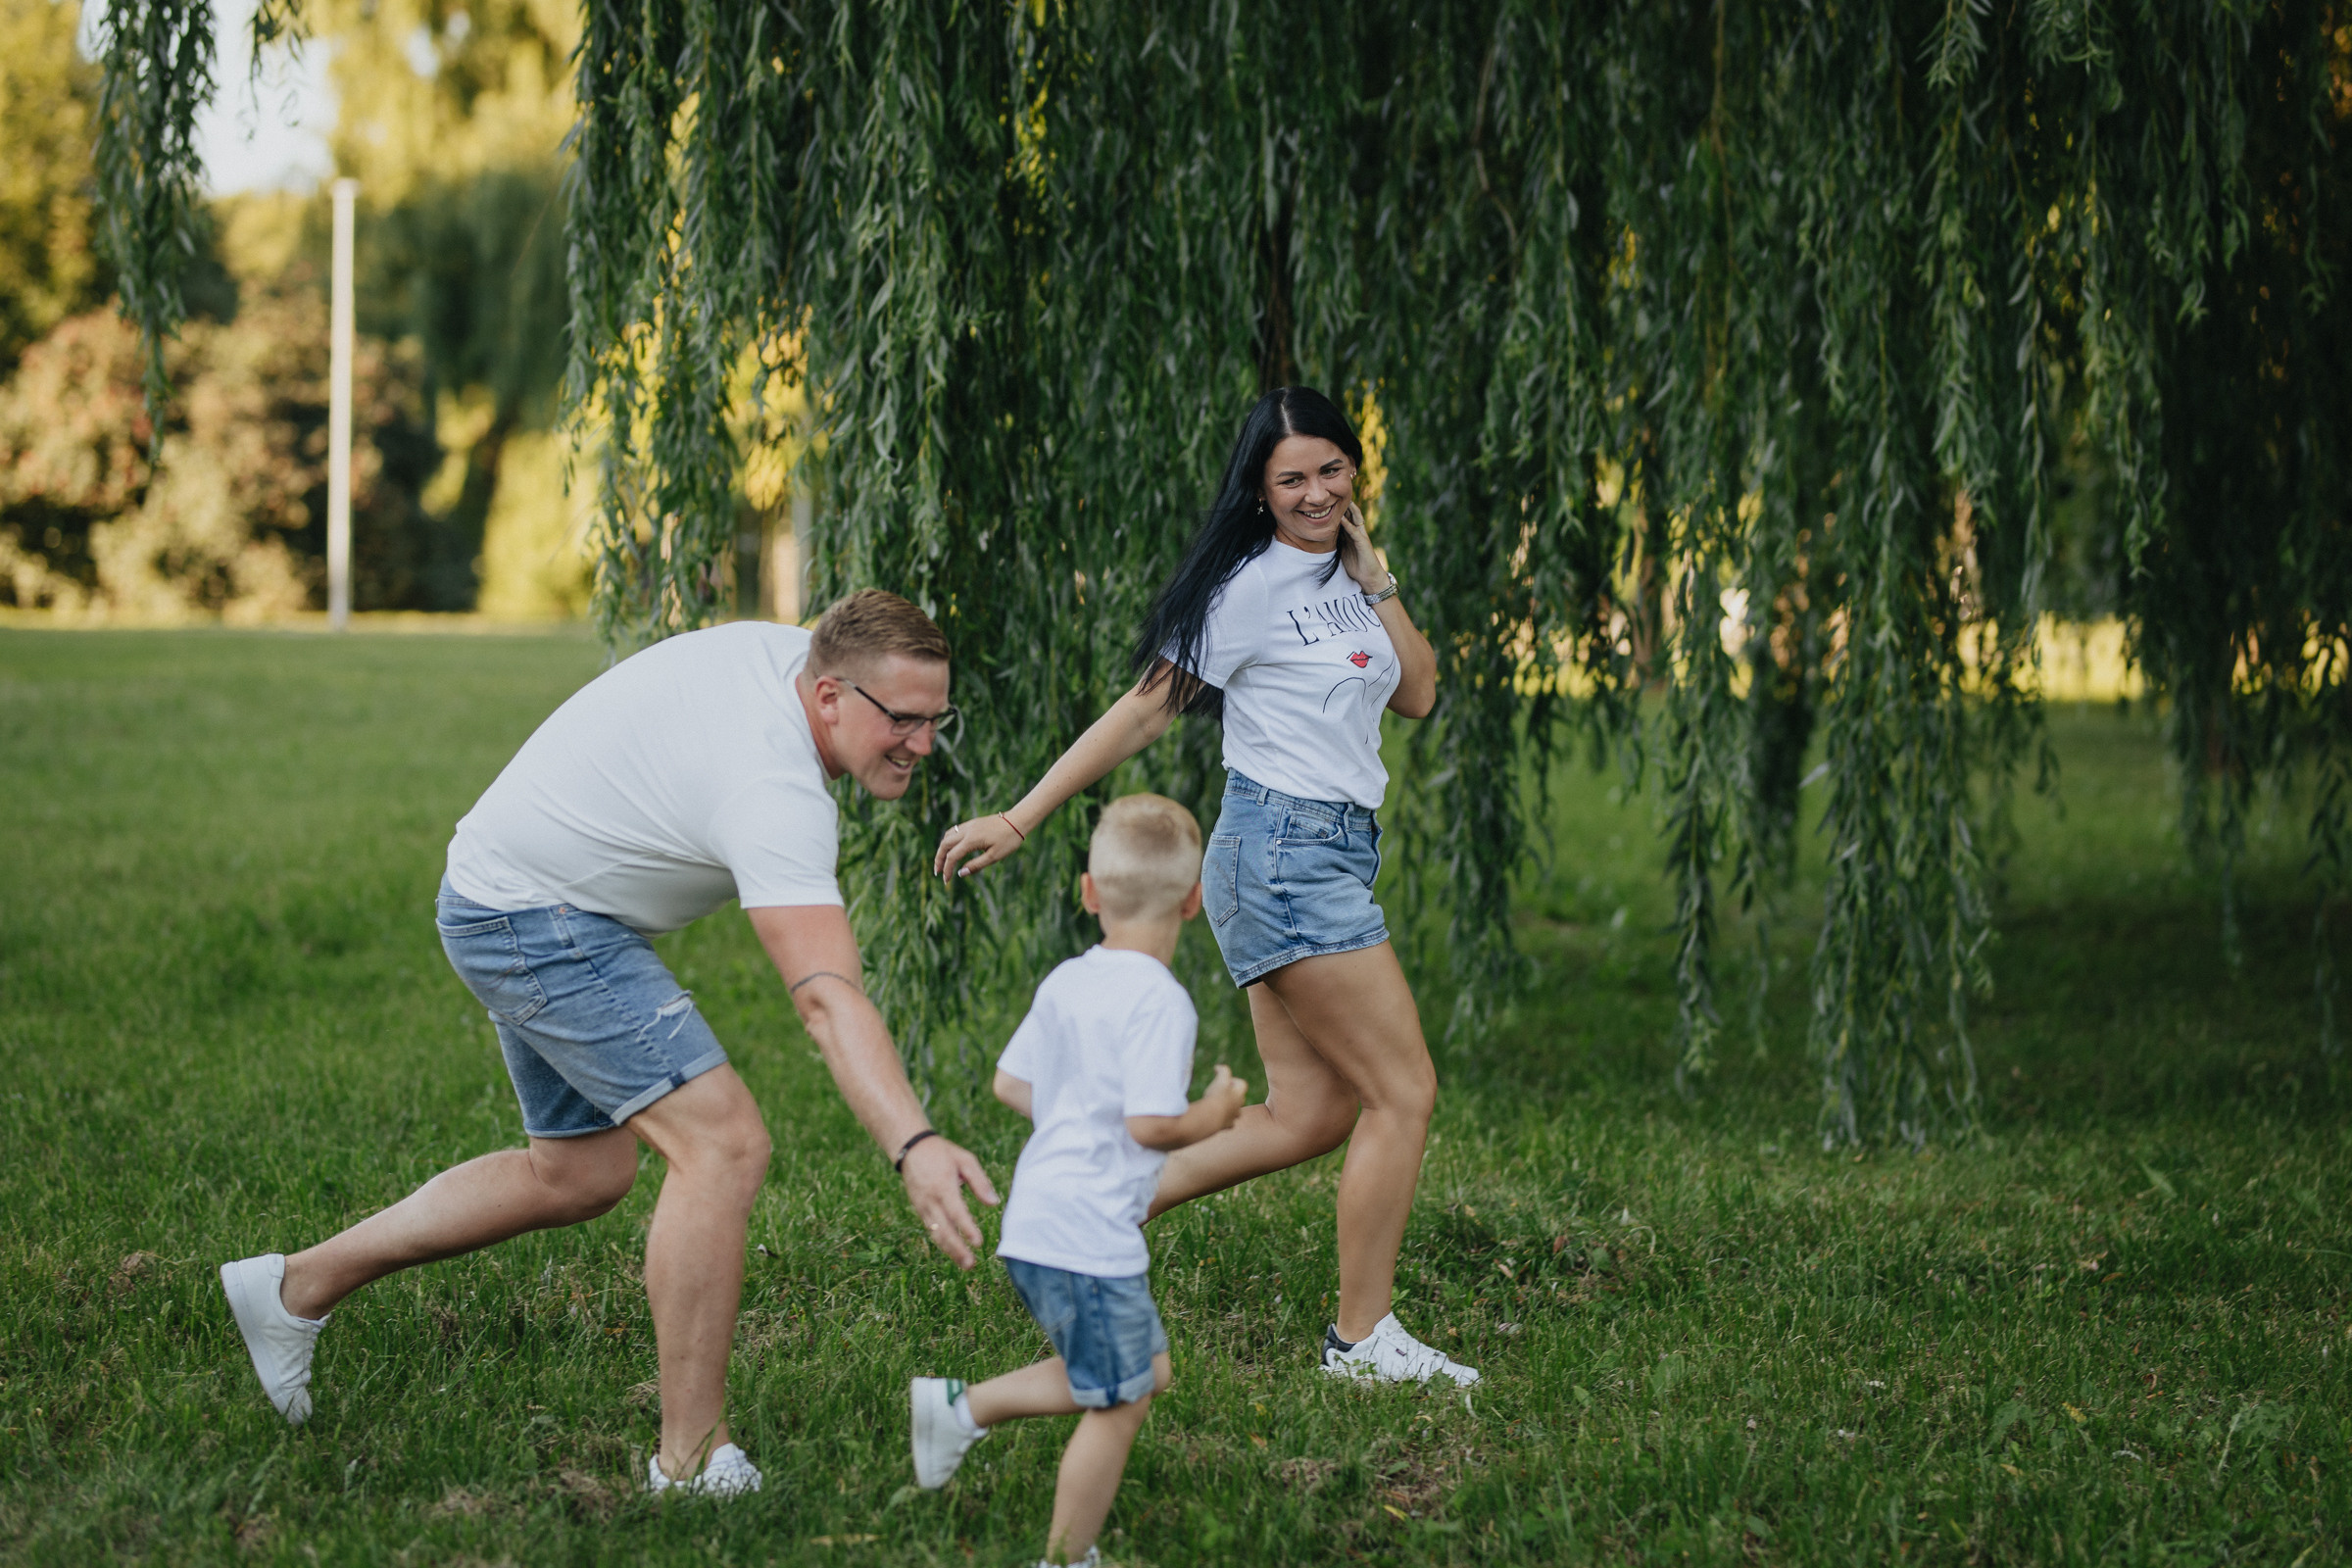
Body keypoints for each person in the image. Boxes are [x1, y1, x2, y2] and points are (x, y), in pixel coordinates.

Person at [220, 589, 1000, 1496]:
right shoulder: (773, 786)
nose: (922, 744)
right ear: (829, 697)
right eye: (902, 720)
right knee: (723, 1145)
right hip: (530, 914)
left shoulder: (809, 661)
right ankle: (690, 1461)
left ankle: (292, 1290)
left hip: (513, 885)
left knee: (582, 1173)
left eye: (935, 719)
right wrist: (914, 1144)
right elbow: (827, 1001)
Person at [934, 386, 1477, 1387]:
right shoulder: (1249, 591)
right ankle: (1363, 1342)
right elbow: (1143, 714)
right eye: (1292, 479)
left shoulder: (1352, 576)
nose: (1316, 493)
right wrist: (1022, 814)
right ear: (1259, 492)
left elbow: (1420, 691)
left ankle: (1090, 1208)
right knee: (1404, 1092)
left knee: (1308, 1116)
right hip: (1283, 855)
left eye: (1331, 470)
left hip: (1330, 848)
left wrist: (1381, 578)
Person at [909, 794, 1248, 1568]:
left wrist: (1076, 1116)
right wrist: (1216, 1112)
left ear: (1089, 894)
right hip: (1088, 1234)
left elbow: (1009, 1084)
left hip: (1040, 1218)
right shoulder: (1161, 1002)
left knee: (1143, 1369)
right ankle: (1064, 1558)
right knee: (1122, 1398)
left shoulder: (1069, 979)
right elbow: (1149, 1128)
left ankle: (961, 1410)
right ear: (1194, 903)